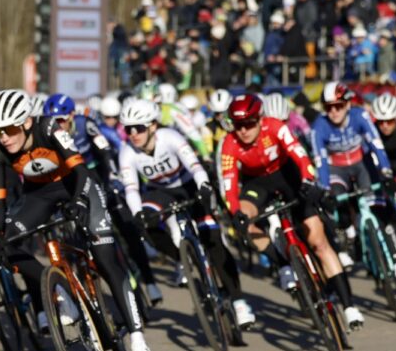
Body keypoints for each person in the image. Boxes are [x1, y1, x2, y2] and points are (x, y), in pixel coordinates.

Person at [0, 89, 153, 351]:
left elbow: (81, 171)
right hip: (40, 195)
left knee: (106, 260)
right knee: (5, 245)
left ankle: (137, 338)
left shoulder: (48, 127)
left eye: (10, 129)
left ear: (26, 122)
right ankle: (60, 291)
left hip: (77, 185)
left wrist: (79, 201)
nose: (4, 137)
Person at [219, 93, 366, 331]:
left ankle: (349, 307)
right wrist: (236, 212)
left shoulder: (275, 127)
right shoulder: (230, 143)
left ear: (260, 118)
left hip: (288, 176)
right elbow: (229, 185)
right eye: (238, 125)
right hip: (257, 183)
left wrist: (308, 179)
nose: (243, 130)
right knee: (244, 221)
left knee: (319, 242)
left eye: (249, 123)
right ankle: (281, 262)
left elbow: (299, 154)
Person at [118, 98, 253, 328]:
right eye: (128, 129)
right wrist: (138, 213)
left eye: (139, 128)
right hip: (160, 192)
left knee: (213, 240)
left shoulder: (170, 137)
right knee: (146, 225)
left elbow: (195, 166)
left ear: (152, 126)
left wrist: (203, 187)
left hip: (189, 185)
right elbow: (131, 188)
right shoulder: (127, 152)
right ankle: (184, 259)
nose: (133, 133)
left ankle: (239, 302)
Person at [44, 92, 160, 303]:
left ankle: (150, 281)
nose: (57, 126)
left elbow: (105, 151)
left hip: (100, 173)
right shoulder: (49, 134)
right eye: (53, 121)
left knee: (127, 228)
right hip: (76, 182)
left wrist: (113, 179)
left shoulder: (85, 124)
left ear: (71, 115)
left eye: (61, 120)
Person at [311, 82, 396, 291]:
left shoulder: (360, 116)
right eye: (329, 107)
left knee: (379, 212)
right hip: (337, 168)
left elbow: (376, 144)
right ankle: (349, 233)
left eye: (338, 105)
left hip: (361, 164)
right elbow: (320, 160)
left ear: (347, 104)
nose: (334, 111)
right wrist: (324, 188)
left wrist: (386, 171)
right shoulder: (319, 126)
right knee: (337, 199)